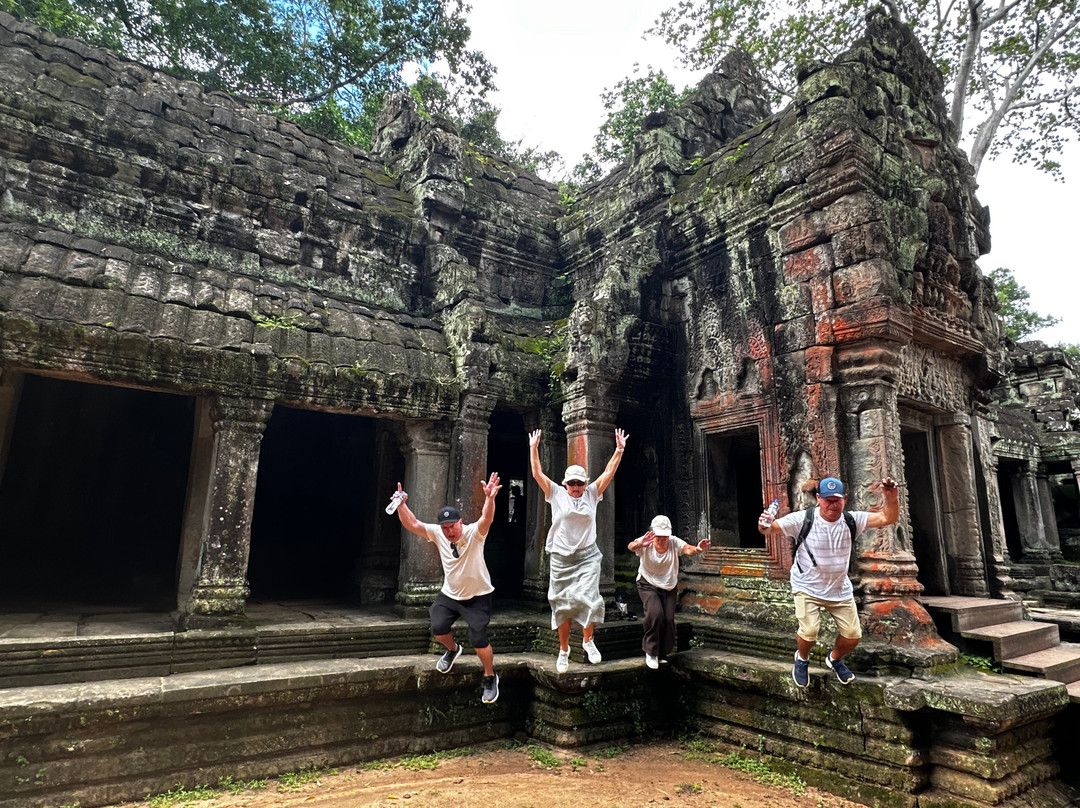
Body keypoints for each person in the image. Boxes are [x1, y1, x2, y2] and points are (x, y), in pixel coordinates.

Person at [758, 476, 899, 687]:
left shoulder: (852, 520)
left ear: (845, 499)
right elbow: (770, 529)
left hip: (838, 589)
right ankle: (802, 658)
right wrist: (764, 524)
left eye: (836, 500)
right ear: (818, 499)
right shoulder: (803, 519)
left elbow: (887, 518)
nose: (832, 505)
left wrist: (891, 498)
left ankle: (834, 658)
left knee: (852, 635)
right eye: (827, 500)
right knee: (809, 631)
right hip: (807, 586)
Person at [392, 472, 503, 704]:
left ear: (460, 523)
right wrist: (402, 505)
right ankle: (452, 650)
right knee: (438, 628)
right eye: (445, 528)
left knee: (479, 638)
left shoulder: (474, 533)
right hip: (450, 594)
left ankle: (490, 677)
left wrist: (490, 499)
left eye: (452, 526)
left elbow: (486, 519)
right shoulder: (437, 533)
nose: (449, 532)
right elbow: (412, 523)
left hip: (478, 595)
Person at [529, 427, 628, 673]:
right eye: (572, 483)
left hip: (587, 555)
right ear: (566, 484)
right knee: (561, 605)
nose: (576, 486)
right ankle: (564, 651)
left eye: (579, 483)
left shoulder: (592, 493)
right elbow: (537, 473)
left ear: (584, 484)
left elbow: (608, 473)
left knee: (589, 599)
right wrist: (533, 448)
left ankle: (588, 641)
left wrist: (619, 450)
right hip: (561, 558)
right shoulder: (556, 493)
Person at [627, 515, 711, 669]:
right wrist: (640, 544)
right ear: (653, 533)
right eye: (659, 536)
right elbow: (631, 546)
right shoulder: (646, 540)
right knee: (655, 614)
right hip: (647, 582)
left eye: (665, 536)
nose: (662, 540)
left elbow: (687, 548)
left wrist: (697, 549)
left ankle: (662, 653)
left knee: (668, 618)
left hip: (668, 584)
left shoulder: (673, 542)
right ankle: (651, 652)